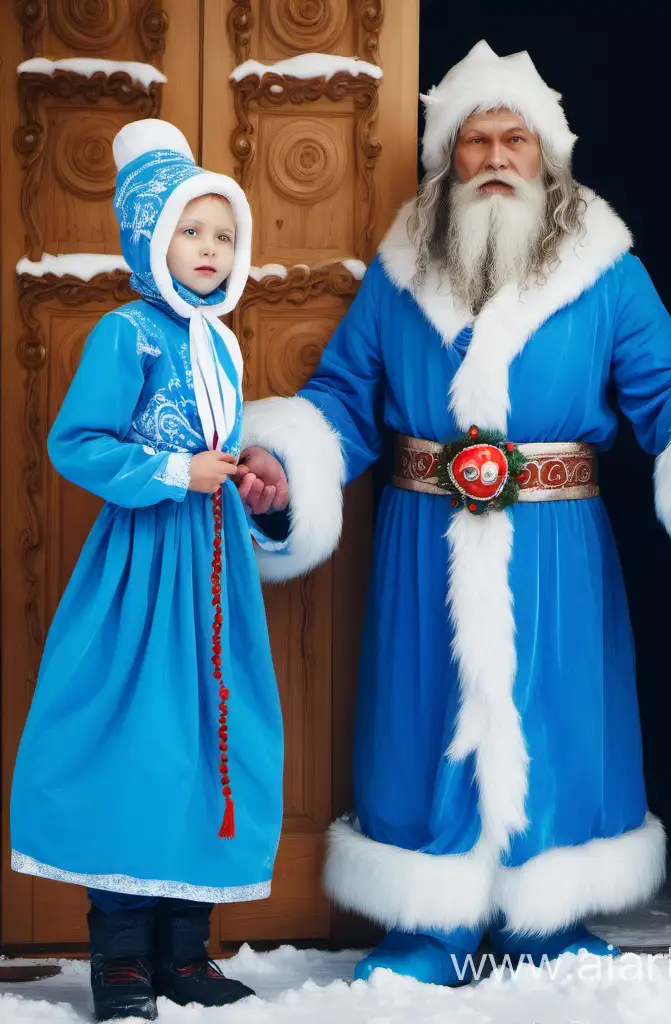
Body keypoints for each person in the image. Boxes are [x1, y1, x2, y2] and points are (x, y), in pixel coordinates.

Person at [236, 41, 671, 985]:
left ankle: (547, 919)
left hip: (556, 539)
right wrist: (286, 461)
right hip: (425, 536)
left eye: (515, 140)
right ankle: (432, 924)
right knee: (425, 710)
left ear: (548, 156)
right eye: (474, 141)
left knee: (559, 708)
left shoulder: (606, 268)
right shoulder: (401, 268)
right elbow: (340, 394)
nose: (495, 157)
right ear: (448, 158)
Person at [9, 119, 282, 1021]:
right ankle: (120, 955)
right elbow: (76, 441)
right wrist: (174, 472)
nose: (210, 250)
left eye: (224, 235)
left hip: (216, 569)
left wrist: (241, 477)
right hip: (143, 571)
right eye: (191, 232)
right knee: (139, 745)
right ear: (149, 239)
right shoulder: (130, 334)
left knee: (215, 742)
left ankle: (184, 950)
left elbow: (220, 443)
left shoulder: (221, 340)